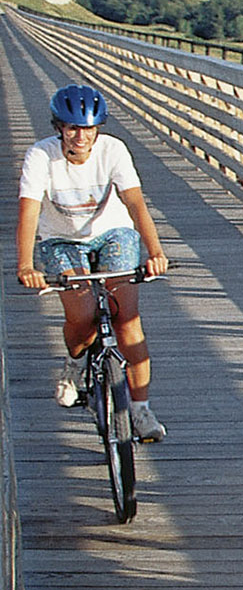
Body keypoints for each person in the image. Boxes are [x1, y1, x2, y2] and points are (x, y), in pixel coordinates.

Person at [15, 84, 171, 441]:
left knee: (127, 319)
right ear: (59, 128)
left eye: (88, 128)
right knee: (83, 316)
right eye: (72, 128)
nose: (80, 136)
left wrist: (155, 252)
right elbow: (29, 212)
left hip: (114, 232)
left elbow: (134, 204)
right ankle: (75, 362)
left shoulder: (113, 150)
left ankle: (141, 409)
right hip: (62, 239)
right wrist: (26, 265)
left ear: (98, 128)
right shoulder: (41, 157)